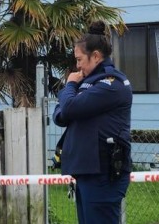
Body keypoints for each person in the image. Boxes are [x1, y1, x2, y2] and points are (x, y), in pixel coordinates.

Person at [53, 21, 133, 224]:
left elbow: (69, 107)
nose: (77, 66)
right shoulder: (89, 83)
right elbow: (60, 115)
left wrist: (70, 84)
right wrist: (71, 97)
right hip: (87, 171)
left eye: (80, 59)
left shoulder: (111, 84)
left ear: (96, 56)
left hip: (103, 174)